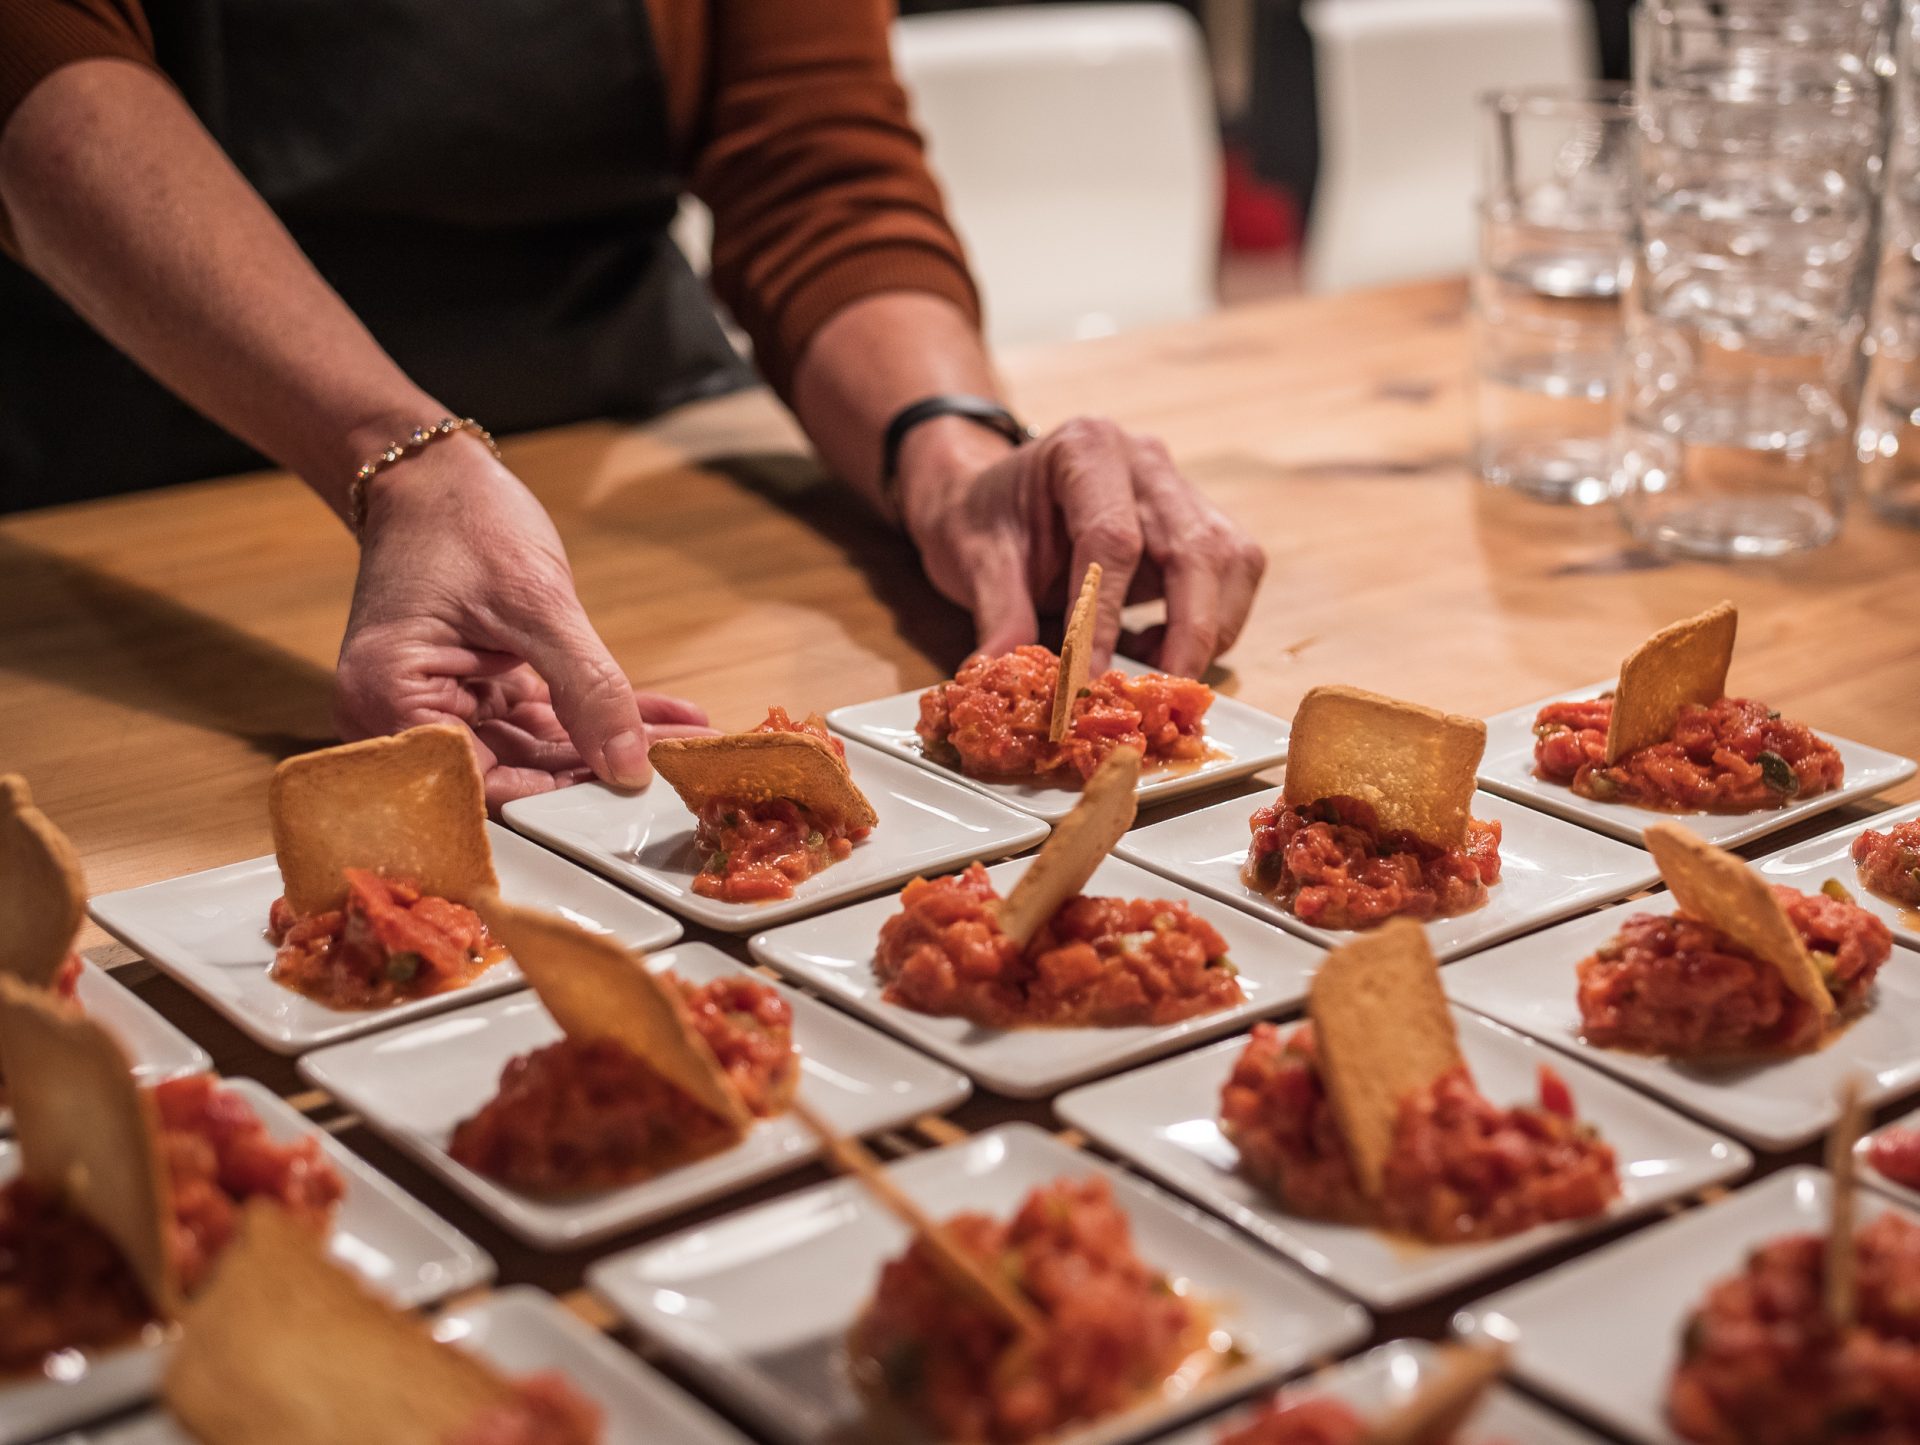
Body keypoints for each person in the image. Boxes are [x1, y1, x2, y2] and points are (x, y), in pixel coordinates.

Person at [0, 0, 1268, 806]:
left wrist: (946, 448)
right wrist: (398, 457)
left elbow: (814, 159)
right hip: (149, 449)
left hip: (623, 410)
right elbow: (34, 62)